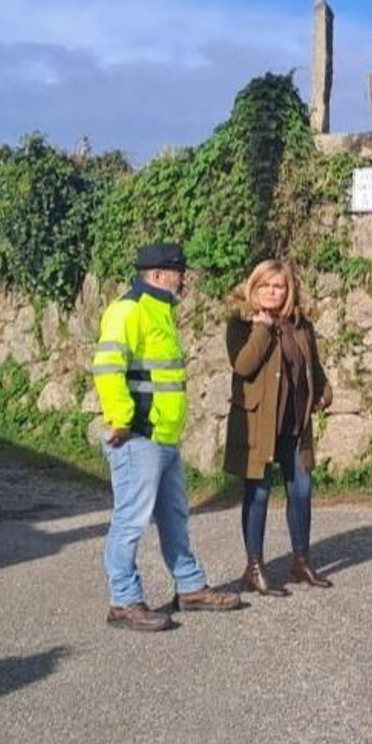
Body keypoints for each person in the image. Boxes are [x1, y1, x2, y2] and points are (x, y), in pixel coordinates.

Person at [91, 242, 241, 632]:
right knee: (131, 520)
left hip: (163, 438)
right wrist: (122, 420)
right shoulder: (129, 310)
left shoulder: (159, 311)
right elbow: (107, 368)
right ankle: (123, 602)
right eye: (179, 271)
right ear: (157, 275)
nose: (184, 278)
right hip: (138, 437)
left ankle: (190, 588)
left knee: (174, 516)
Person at [224, 259, 334, 595]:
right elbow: (243, 365)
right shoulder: (241, 323)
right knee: (257, 494)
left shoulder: (299, 324)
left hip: (295, 423)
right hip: (259, 423)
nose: (273, 292)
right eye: (266, 286)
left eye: (279, 286)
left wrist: (324, 388)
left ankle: (301, 561)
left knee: (301, 492)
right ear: (254, 288)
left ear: (288, 290)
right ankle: (254, 567)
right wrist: (261, 328)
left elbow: (310, 363)